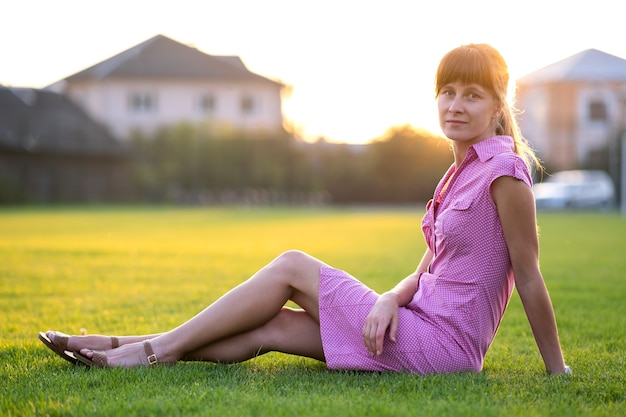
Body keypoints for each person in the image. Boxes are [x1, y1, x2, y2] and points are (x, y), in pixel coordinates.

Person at [39, 43, 571, 375]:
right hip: (413, 322)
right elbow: (432, 267)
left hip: (443, 347)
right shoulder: (463, 169)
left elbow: (527, 275)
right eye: (447, 92)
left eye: (472, 95)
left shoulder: (504, 172)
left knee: (293, 264)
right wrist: (387, 299)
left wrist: (556, 370)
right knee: (268, 328)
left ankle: (149, 351)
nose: (455, 105)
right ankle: (120, 348)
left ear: (499, 104)